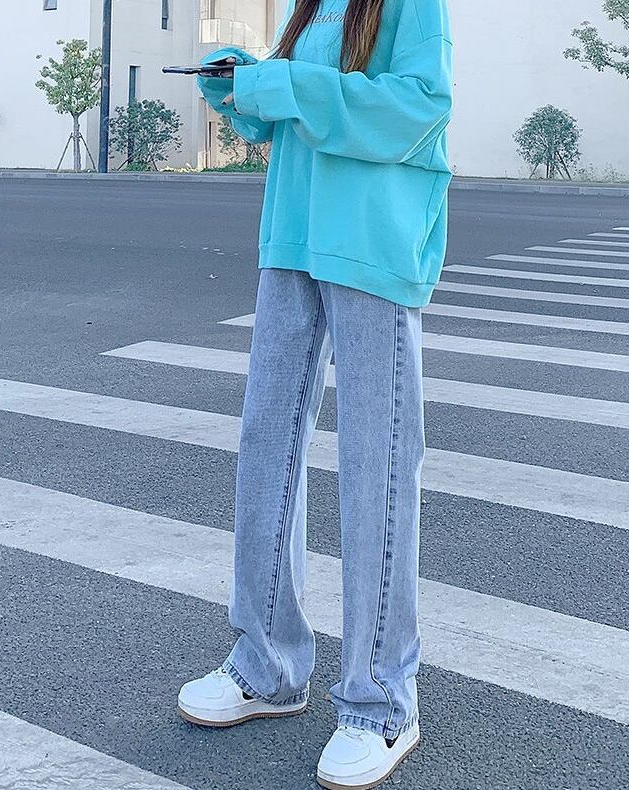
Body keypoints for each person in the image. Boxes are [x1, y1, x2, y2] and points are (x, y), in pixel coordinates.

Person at [178, 1, 453, 787]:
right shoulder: (314, 5)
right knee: (267, 445)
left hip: (370, 242)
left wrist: (288, 84)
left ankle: (381, 702)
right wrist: (242, 87)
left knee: (377, 463)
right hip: (292, 236)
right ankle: (266, 665)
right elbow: (293, 116)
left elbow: (420, 108)